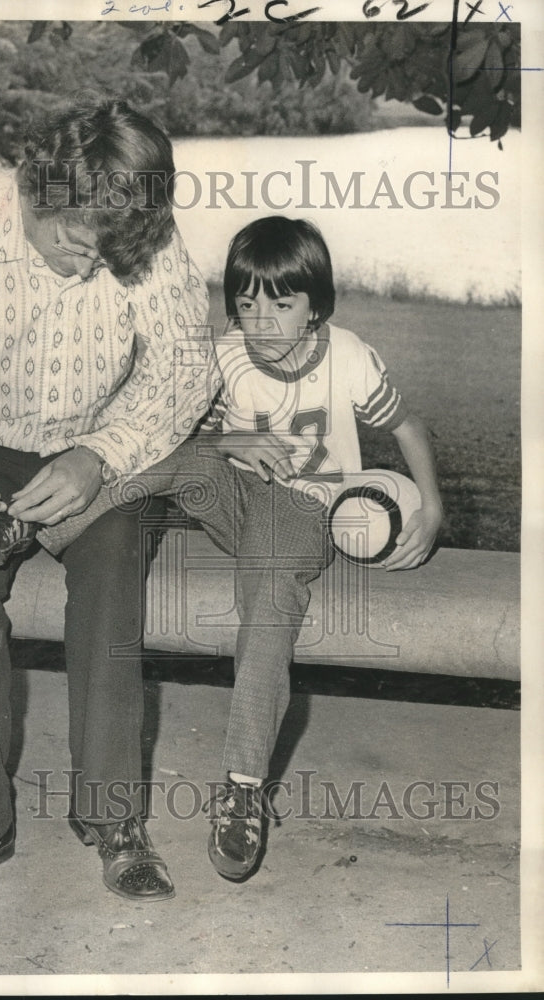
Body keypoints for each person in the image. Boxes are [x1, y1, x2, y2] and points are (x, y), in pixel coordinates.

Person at [0, 98, 213, 903]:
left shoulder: (138, 228)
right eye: (72, 243)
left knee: (114, 569)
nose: (91, 267)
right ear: (33, 190)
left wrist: (102, 455)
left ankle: (113, 818)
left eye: (107, 255)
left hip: (102, 443)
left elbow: (186, 369)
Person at [197, 215, 444, 881]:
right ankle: (29, 522)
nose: (263, 321)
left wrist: (434, 504)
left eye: (282, 304)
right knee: (148, 456)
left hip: (301, 503)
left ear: (316, 305)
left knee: (270, 589)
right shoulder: (228, 354)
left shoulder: (348, 354)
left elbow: (408, 425)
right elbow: (181, 437)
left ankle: (243, 785)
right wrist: (227, 442)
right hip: (229, 493)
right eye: (247, 304)